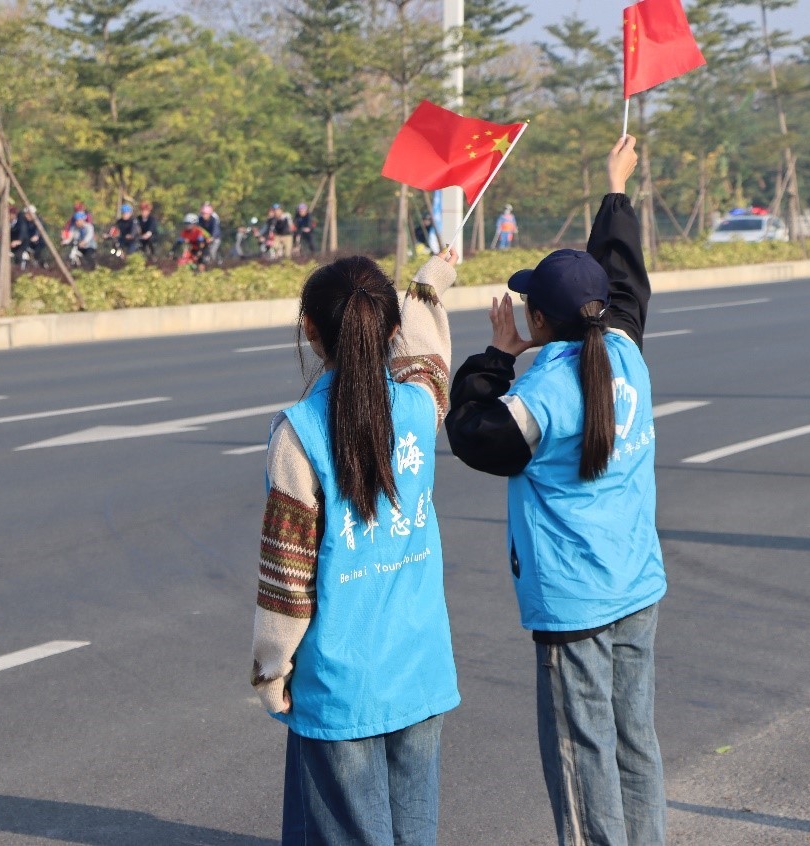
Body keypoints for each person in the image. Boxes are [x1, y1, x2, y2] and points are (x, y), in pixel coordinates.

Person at [443, 136, 666, 846]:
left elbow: (472, 433)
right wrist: (615, 187)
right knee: (634, 740)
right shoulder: (625, 349)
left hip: (575, 600)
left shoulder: (542, 393)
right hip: (636, 584)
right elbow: (625, 276)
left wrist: (497, 356)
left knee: (580, 751)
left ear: (538, 321)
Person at [252, 248, 461, 845]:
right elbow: (430, 360)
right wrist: (426, 288)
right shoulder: (420, 408)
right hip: (420, 668)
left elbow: (287, 576)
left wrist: (272, 669)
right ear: (391, 330)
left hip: (341, 686)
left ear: (310, 330)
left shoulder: (299, 433)